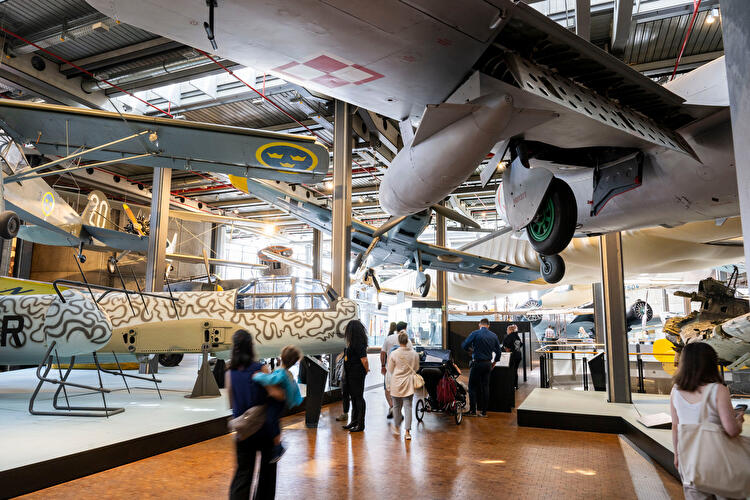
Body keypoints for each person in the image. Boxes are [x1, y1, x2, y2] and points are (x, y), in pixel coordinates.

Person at [670, 342, 745, 500]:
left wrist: (677, 455)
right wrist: (739, 420)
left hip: (690, 462)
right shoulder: (718, 390)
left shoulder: (675, 390)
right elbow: (732, 430)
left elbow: (675, 427)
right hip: (719, 463)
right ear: (711, 363)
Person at [226, 330, 285, 500]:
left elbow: (231, 402)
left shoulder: (229, 372)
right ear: (251, 347)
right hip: (264, 429)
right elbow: (276, 394)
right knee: (267, 474)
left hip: (243, 430)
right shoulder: (260, 368)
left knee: (243, 474)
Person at [252, 345, 304, 463]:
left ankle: (278, 447)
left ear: (282, 357)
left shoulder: (281, 373)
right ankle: (276, 445)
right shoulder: (288, 373)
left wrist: (257, 376)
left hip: (276, 403)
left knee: (271, 421)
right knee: (274, 421)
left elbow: (270, 380)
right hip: (281, 403)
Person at [461, 318, 503, 417]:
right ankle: (484, 412)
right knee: (485, 387)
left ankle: (473, 411)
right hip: (488, 363)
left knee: (472, 387)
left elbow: (464, 345)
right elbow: (499, 352)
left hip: (477, 363)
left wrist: (471, 350)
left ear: (479, 324)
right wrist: (494, 362)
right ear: (488, 325)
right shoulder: (494, 335)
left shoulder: (475, 333)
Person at [387, 331, 420, 440]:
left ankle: (397, 427)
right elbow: (416, 368)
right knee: (408, 407)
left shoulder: (394, 354)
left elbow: (390, 369)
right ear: (407, 341)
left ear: (398, 341)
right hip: (408, 383)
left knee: (396, 406)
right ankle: (407, 432)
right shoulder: (414, 353)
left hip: (396, 382)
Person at [381, 321, 412, 418]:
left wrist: (382, 366)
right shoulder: (408, 340)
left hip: (390, 369)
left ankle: (392, 407)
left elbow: (383, 353)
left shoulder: (389, 338)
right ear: (405, 329)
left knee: (388, 389)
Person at [342, 320, 369, 432]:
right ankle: (354, 421)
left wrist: (366, 370)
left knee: (358, 398)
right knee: (353, 397)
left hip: (357, 374)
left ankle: (360, 424)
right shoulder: (353, 342)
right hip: (351, 373)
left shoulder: (358, 343)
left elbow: (364, 360)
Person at [503, 324, 523, 390]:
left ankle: (511, 385)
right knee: (515, 370)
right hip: (518, 355)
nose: (507, 331)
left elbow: (506, 347)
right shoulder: (517, 336)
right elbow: (520, 344)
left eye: (507, 330)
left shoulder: (509, 337)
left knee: (511, 371)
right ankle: (515, 385)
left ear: (510, 330)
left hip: (512, 356)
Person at [334, 350, 350, 422]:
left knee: (355, 397)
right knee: (345, 395)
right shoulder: (345, 351)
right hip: (345, 377)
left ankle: (356, 417)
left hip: (353, 377)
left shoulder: (358, 348)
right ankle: (345, 413)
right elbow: (338, 360)